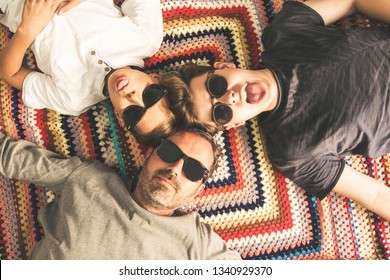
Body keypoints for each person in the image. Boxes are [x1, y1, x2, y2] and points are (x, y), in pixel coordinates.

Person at [167, 0, 390, 221]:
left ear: (224, 66)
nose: (229, 97)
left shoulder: (285, 33)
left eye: (216, 85)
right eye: (221, 112)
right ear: (234, 124)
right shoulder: (293, 153)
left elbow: (354, 2)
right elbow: (374, 195)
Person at [0, 127, 241, 259]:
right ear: (149, 154)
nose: (175, 169)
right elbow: (12, 157)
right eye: (169, 152)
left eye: (194, 169)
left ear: (198, 190)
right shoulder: (90, 179)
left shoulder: (199, 245)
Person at [0, 0, 181, 146]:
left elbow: (10, 73)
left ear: (120, 118)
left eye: (133, 114)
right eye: (150, 96)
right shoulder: (146, 40)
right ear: (156, 78)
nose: (134, 97)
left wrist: (27, 30)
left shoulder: (73, 98)